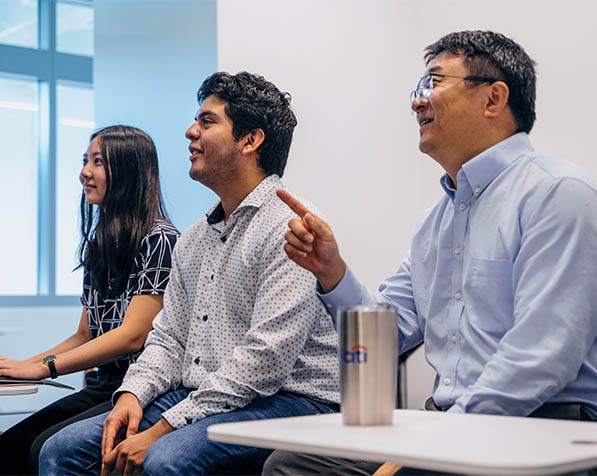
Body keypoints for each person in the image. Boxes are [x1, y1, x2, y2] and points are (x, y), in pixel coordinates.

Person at [265, 30, 597, 475]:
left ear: (494, 99)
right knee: (295, 463)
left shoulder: (558, 194)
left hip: (540, 431)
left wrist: (434, 446)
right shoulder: (434, 222)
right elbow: (384, 336)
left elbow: (540, 358)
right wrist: (332, 272)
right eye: (418, 89)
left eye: (434, 84)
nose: (417, 103)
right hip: (454, 428)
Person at [39, 71, 339, 476]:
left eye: (207, 121)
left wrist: (163, 427)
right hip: (206, 393)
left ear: (250, 141)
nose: (189, 132)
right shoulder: (195, 238)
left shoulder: (291, 226)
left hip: (293, 400)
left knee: (168, 459)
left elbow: (264, 361)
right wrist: (132, 394)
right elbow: (168, 338)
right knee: (62, 450)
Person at [0, 125, 179, 476]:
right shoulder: (102, 242)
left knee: (45, 450)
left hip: (140, 389)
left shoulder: (161, 241)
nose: (85, 172)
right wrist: (20, 367)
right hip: (102, 385)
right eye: (86, 160)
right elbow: (85, 335)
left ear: (127, 171)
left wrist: (43, 367)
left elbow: (132, 336)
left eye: (98, 162)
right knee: (10, 447)